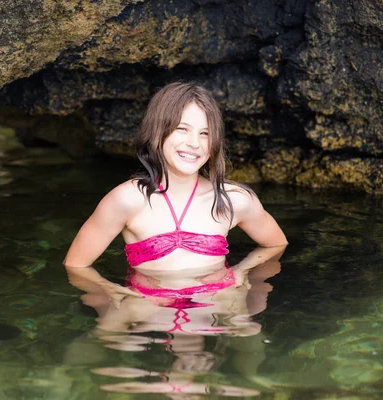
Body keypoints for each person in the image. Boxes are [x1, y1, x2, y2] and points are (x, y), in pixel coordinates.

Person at [63, 82, 287, 305]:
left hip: (217, 300)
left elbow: (276, 245)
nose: (194, 143)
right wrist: (109, 289)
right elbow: (76, 265)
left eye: (205, 133)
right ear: (157, 131)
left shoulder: (234, 200)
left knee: (246, 331)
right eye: (182, 129)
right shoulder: (126, 200)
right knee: (113, 333)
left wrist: (242, 270)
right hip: (146, 305)